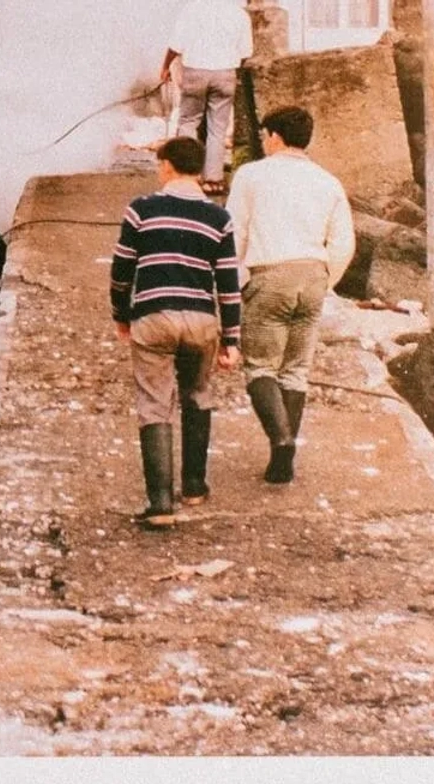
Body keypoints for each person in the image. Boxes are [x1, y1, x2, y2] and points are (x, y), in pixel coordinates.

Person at [110, 136, 243, 529]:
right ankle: (195, 486)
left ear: (167, 166)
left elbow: (121, 272)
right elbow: (228, 284)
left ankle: (161, 504)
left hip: (153, 316)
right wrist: (231, 340)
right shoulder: (219, 218)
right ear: (199, 170)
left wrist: (122, 316)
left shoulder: (141, 209)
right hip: (201, 320)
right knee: (197, 395)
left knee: (154, 403)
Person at [226, 105, 355, 484]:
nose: (264, 141)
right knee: (296, 370)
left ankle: (281, 439)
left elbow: (234, 232)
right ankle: (283, 455)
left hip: (269, 273)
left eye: (265, 135)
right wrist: (325, 280)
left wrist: (238, 280)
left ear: (275, 137)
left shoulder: (250, 175)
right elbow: (344, 242)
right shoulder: (328, 182)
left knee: (260, 367)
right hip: (313, 275)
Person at [160, 0, 254, 196]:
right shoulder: (239, 14)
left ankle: (185, 173)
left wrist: (165, 66)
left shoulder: (191, 8)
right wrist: (228, 67)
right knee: (217, 129)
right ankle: (213, 180)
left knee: (188, 122)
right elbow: (245, 53)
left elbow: (176, 46)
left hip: (195, 71)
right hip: (225, 73)